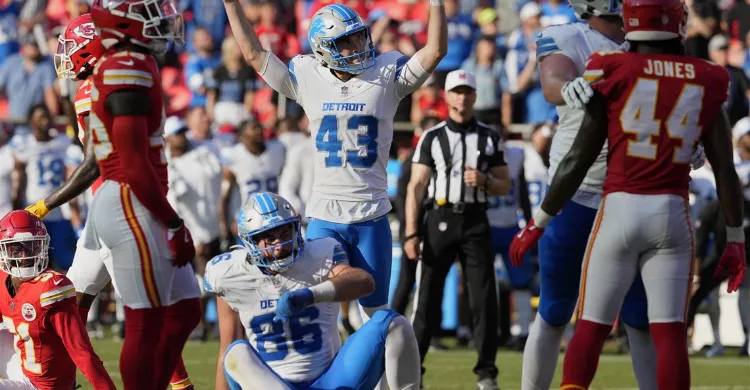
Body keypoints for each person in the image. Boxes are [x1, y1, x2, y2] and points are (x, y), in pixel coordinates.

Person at [510, 0, 746, 387]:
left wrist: (537, 221)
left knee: (623, 319)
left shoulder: (615, 66)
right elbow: (554, 85)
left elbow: (581, 153)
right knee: (557, 310)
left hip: (614, 199)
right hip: (596, 198)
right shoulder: (573, 38)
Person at [221, 0, 446, 326]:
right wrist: (231, 4)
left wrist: (436, 5)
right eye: (346, 42)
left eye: (358, 37)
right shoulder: (307, 74)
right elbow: (254, 54)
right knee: (318, 312)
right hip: (325, 215)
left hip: (372, 213)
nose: (357, 47)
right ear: (324, 48)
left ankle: (385, 380)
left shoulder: (385, 74)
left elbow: (436, 49)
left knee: (377, 317)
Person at [24, 12, 200, 390]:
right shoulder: (115, 76)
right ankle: (61, 379)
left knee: (144, 314)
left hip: (124, 208)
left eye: (72, 46)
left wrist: (45, 204)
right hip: (115, 208)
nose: (66, 55)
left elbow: (94, 162)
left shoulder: (103, 83)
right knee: (68, 304)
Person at [83, 1, 199, 389]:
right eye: (150, 11)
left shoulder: (132, 61)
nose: (163, 19)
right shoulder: (125, 65)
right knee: (144, 322)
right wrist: (173, 221)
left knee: (185, 309)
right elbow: (133, 163)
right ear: (123, 19)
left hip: (136, 197)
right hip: (130, 198)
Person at [205, 192, 421, 390]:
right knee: (237, 352)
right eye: (269, 238)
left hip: (330, 381)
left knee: (392, 323)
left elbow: (364, 283)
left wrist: (312, 295)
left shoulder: (319, 254)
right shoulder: (229, 273)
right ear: (250, 242)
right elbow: (227, 349)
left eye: (285, 233)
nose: (280, 245)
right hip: (271, 382)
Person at [404, 69, 511, 390]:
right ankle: (413, 370)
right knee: (427, 298)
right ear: (447, 96)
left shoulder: (489, 137)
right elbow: (416, 186)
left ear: (475, 96)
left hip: (475, 219)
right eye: (457, 91)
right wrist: (411, 232)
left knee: (483, 298)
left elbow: (504, 184)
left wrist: (486, 182)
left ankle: (486, 373)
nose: (462, 98)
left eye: (467, 92)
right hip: (439, 218)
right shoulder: (433, 136)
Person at [0, 210, 116, 390]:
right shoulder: (2, 279)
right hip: (24, 369)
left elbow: (82, 353)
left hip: (46, 387)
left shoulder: (51, 287)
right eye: (17, 248)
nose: (25, 256)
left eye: (32, 247)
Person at [10, 104, 78, 272]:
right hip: (34, 212)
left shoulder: (62, 142)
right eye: (41, 117)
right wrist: (16, 208)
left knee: (66, 263)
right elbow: (18, 179)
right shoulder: (24, 143)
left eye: (47, 116)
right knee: (35, 264)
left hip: (60, 212)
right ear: (31, 122)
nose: (46, 121)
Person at [219, 118, 286, 247]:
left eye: (259, 127)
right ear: (242, 136)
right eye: (253, 128)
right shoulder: (234, 155)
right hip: (249, 219)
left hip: (276, 215)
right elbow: (225, 195)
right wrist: (224, 227)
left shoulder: (277, 149)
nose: (259, 131)